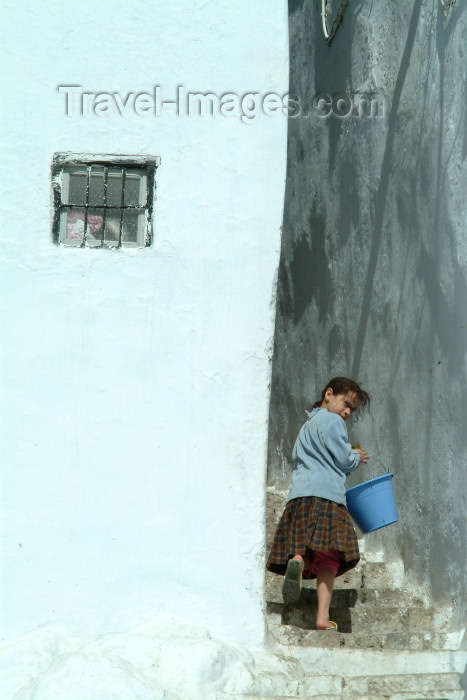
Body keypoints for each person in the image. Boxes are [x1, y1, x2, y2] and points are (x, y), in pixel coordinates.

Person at [266, 376, 370, 631]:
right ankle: (322, 617)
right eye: (346, 404)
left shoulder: (306, 426)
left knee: (305, 546)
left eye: (351, 410)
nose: (347, 412)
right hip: (327, 497)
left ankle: (300, 561)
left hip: (299, 496)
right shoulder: (333, 421)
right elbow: (344, 460)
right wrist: (356, 456)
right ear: (328, 394)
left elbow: (298, 458)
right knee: (331, 558)